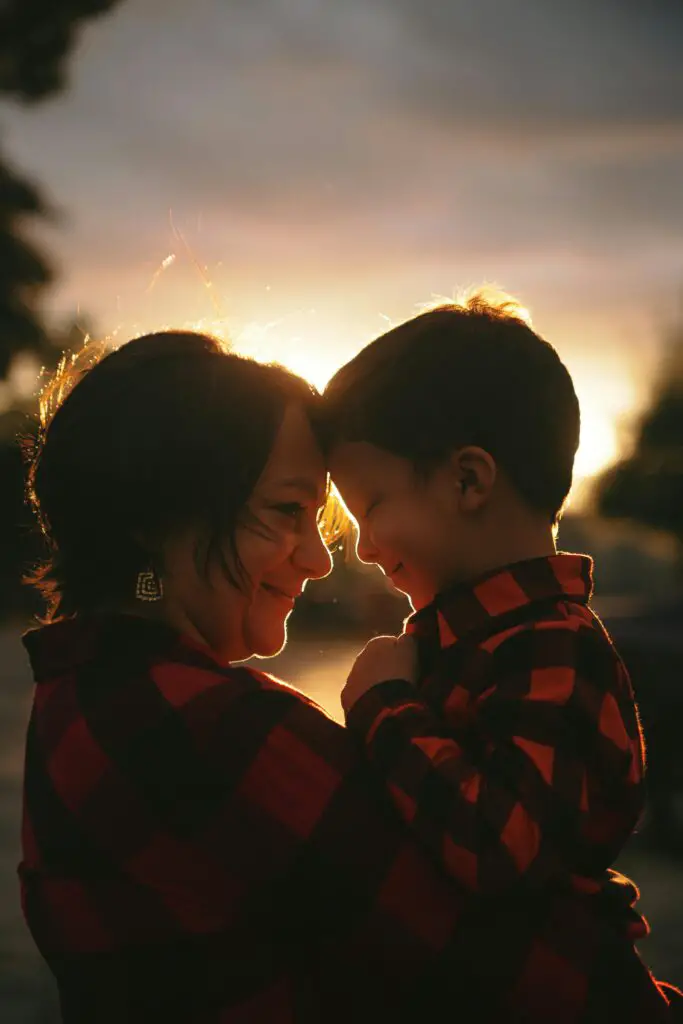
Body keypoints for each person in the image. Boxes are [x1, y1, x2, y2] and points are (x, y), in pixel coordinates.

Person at [19, 329, 474, 1023]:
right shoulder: (204, 722)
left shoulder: (76, 691)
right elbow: (487, 955)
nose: (319, 561)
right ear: (157, 512)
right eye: (287, 511)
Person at [323, 291, 683, 1020]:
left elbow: (498, 849)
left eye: (371, 506)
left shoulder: (553, 645)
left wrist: (384, 708)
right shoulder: (462, 640)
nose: (362, 547)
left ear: (466, 480)